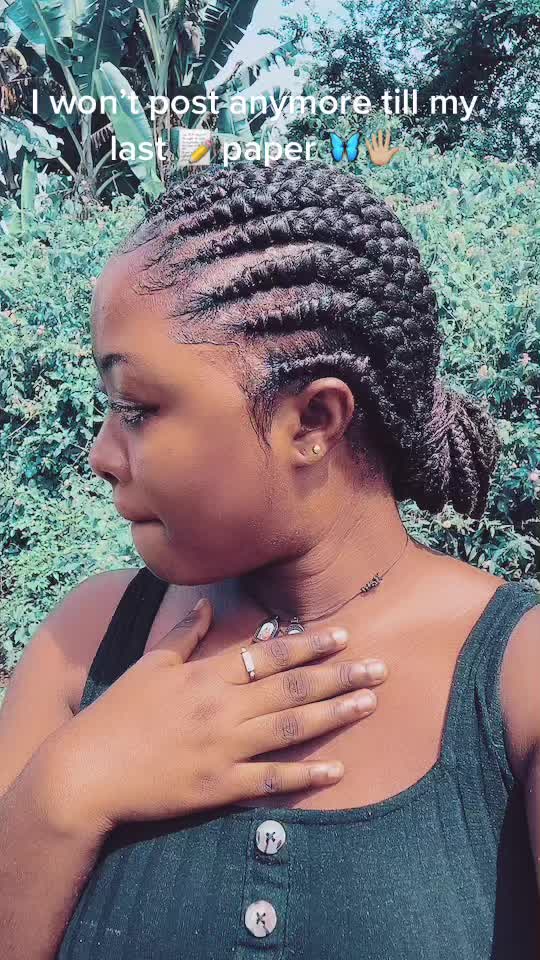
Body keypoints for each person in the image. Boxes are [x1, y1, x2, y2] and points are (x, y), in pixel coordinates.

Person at [0, 158, 538, 959]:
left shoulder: (517, 680)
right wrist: (65, 791)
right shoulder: (84, 645)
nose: (101, 456)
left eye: (137, 409)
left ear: (313, 420)